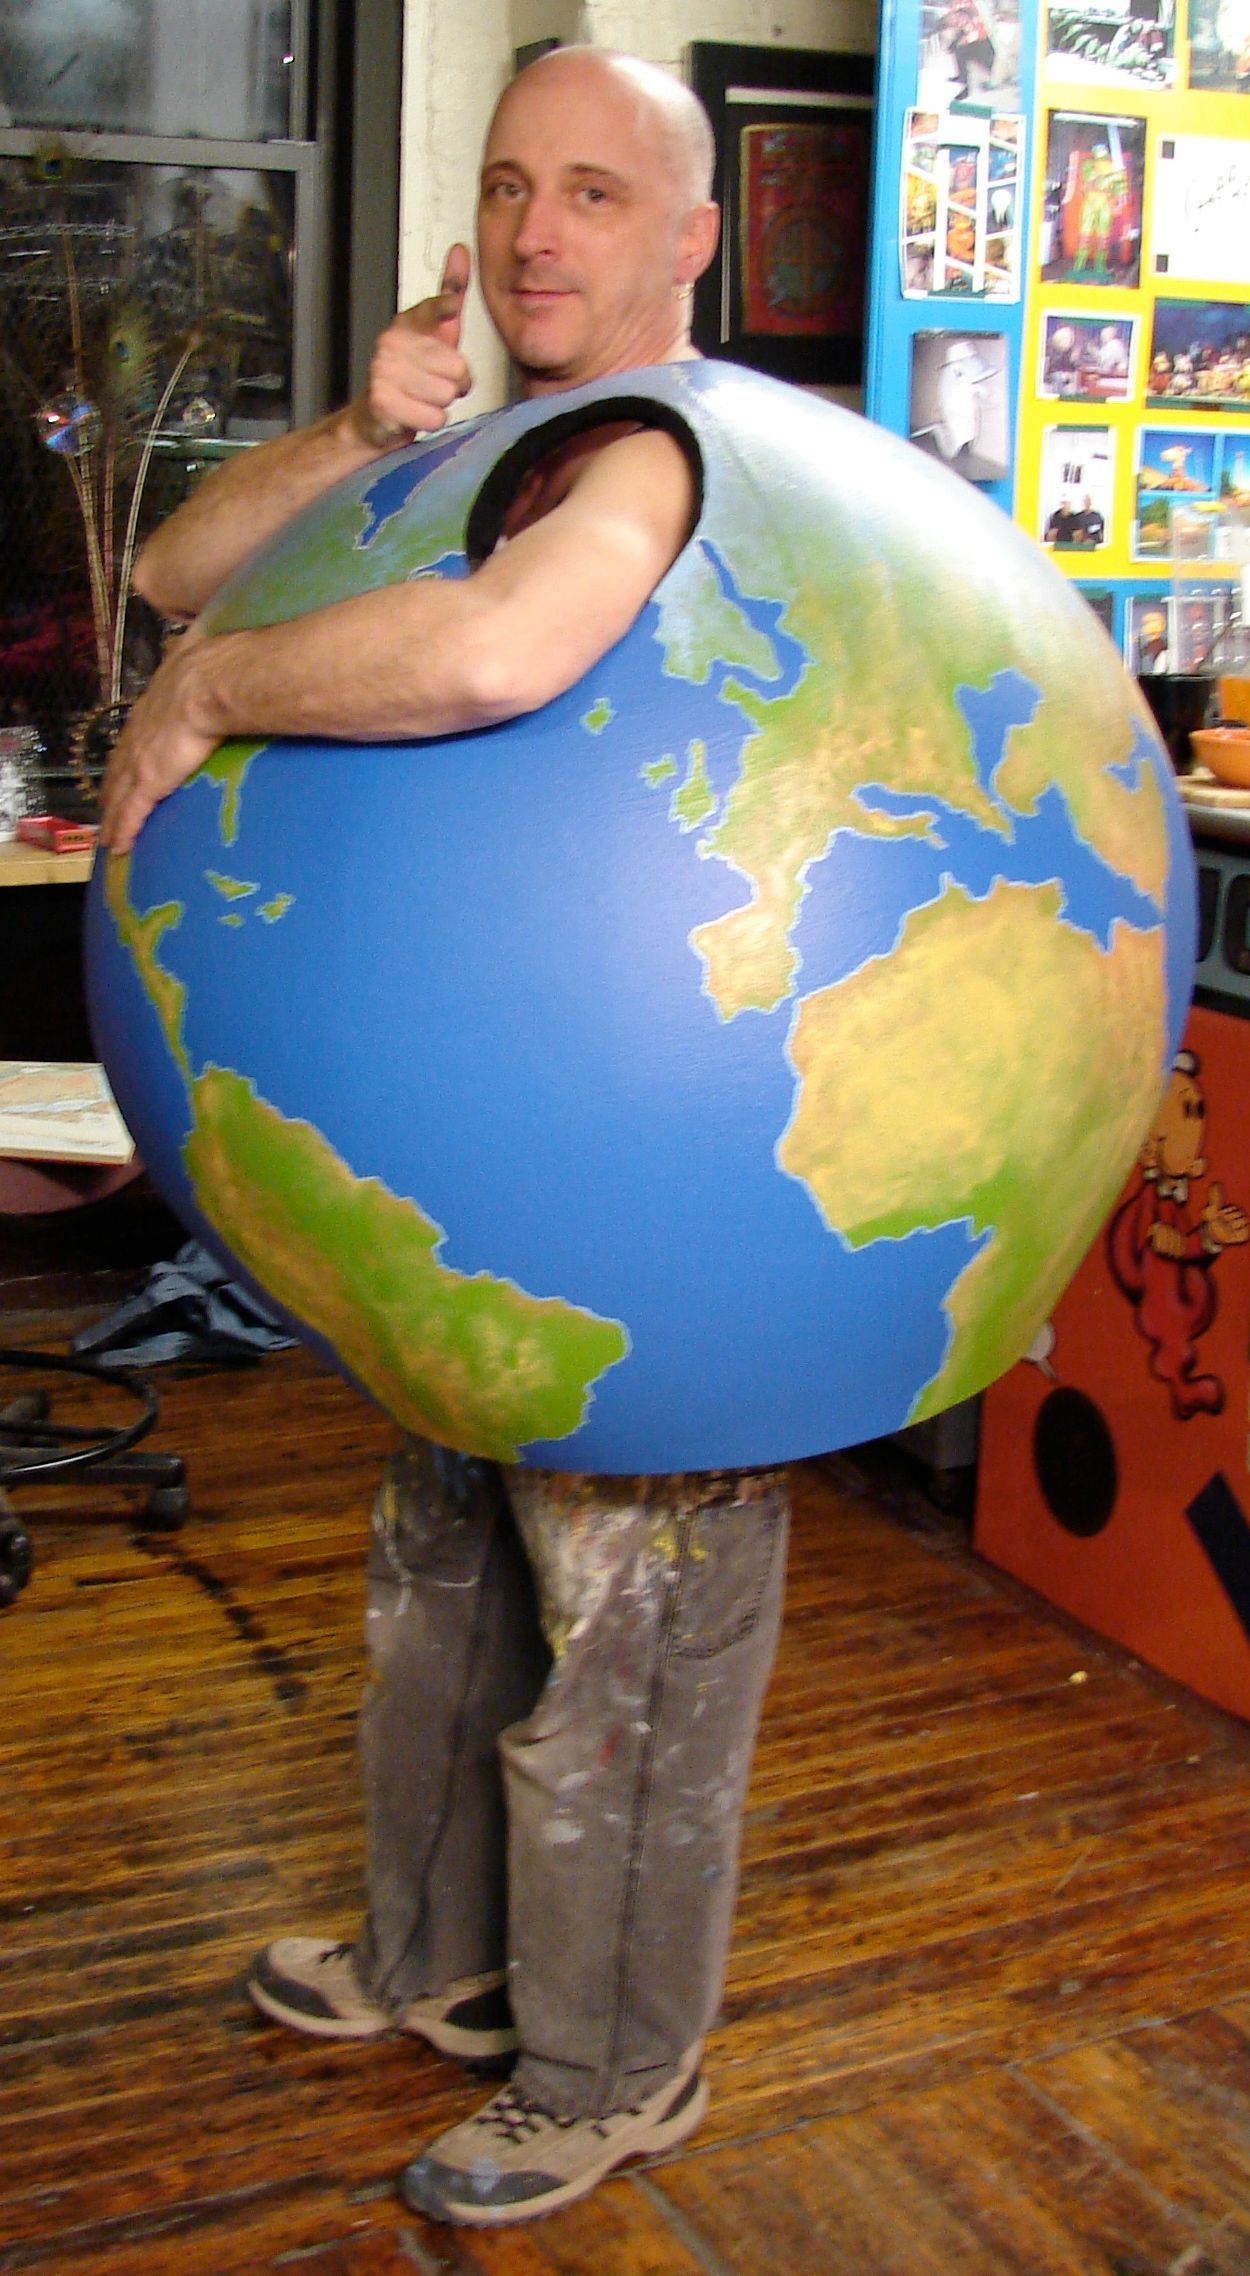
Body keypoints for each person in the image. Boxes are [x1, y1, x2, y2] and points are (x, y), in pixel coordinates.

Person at [100, 47, 792, 2229]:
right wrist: (366, 434)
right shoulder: (480, 440)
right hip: (478, 1172)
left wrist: (216, 701)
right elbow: (177, 575)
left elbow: (506, 646)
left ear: (686, 239)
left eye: (594, 193)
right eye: (507, 187)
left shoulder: (643, 452)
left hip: (654, 1193)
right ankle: (436, 1959)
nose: (533, 233)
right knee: (445, 1594)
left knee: (629, 1645)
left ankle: (607, 2072)